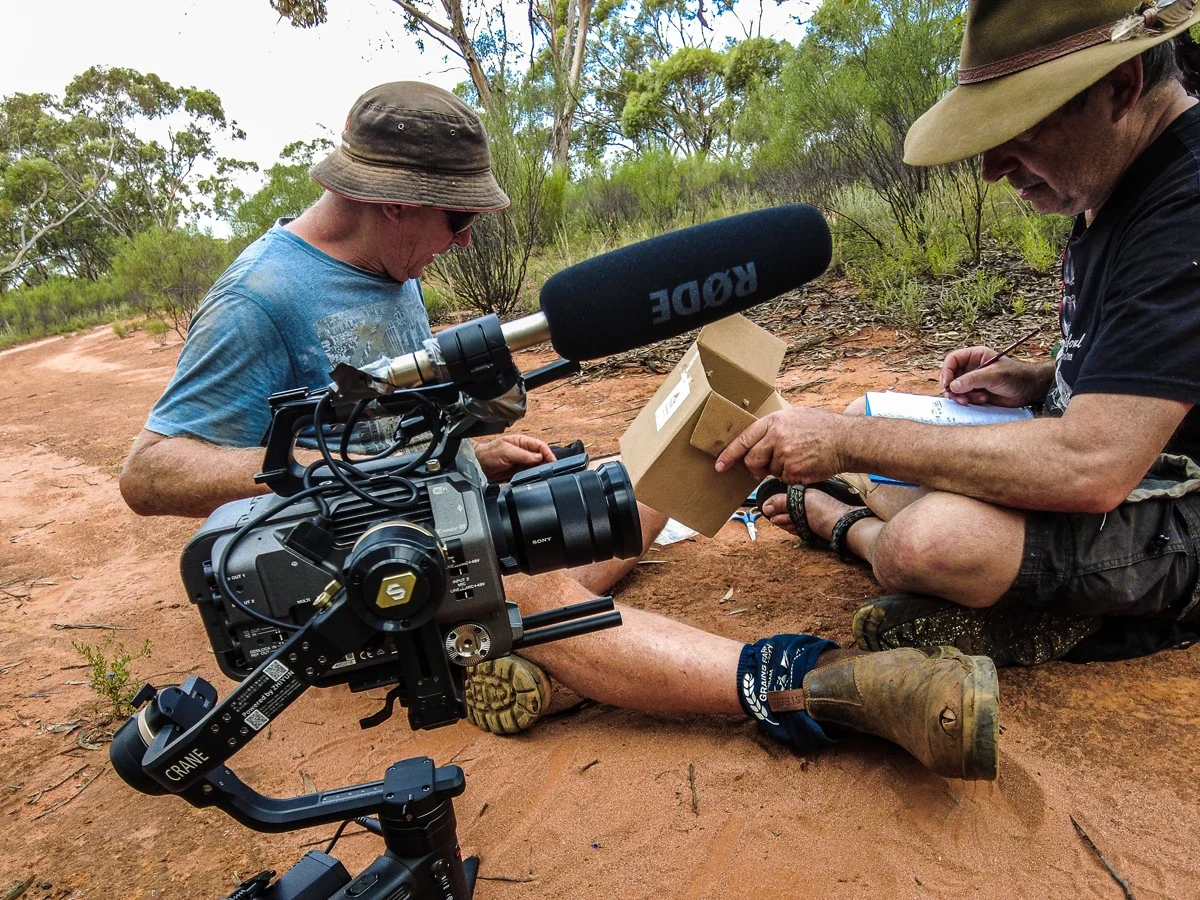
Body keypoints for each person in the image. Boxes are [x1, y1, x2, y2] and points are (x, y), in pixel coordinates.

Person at [121, 81, 1001, 781]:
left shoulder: (390, 270)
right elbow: (151, 474)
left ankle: (548, 666)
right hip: (342, 589)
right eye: (457, 219)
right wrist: (346, 474)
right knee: (522, 586)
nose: (464, 242)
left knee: (617, 491)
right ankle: (816, 686)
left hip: (426, 527)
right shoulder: (260, 299)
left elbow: (385, 424)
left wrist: (466, 448)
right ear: (390, 202)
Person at [719, 0, 1200, 667]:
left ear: (1119, 88)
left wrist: (847, 445)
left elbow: (1093, 466)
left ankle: (846, 527)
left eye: (1020, 127)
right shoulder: (1119, 168)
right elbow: (1158, 363)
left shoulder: (1185, 205)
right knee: (874, 424)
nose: (994, 167)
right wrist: (1038, 376)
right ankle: (1013, 594)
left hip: (1172, 498)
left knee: (931, 540)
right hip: (1124, 460)